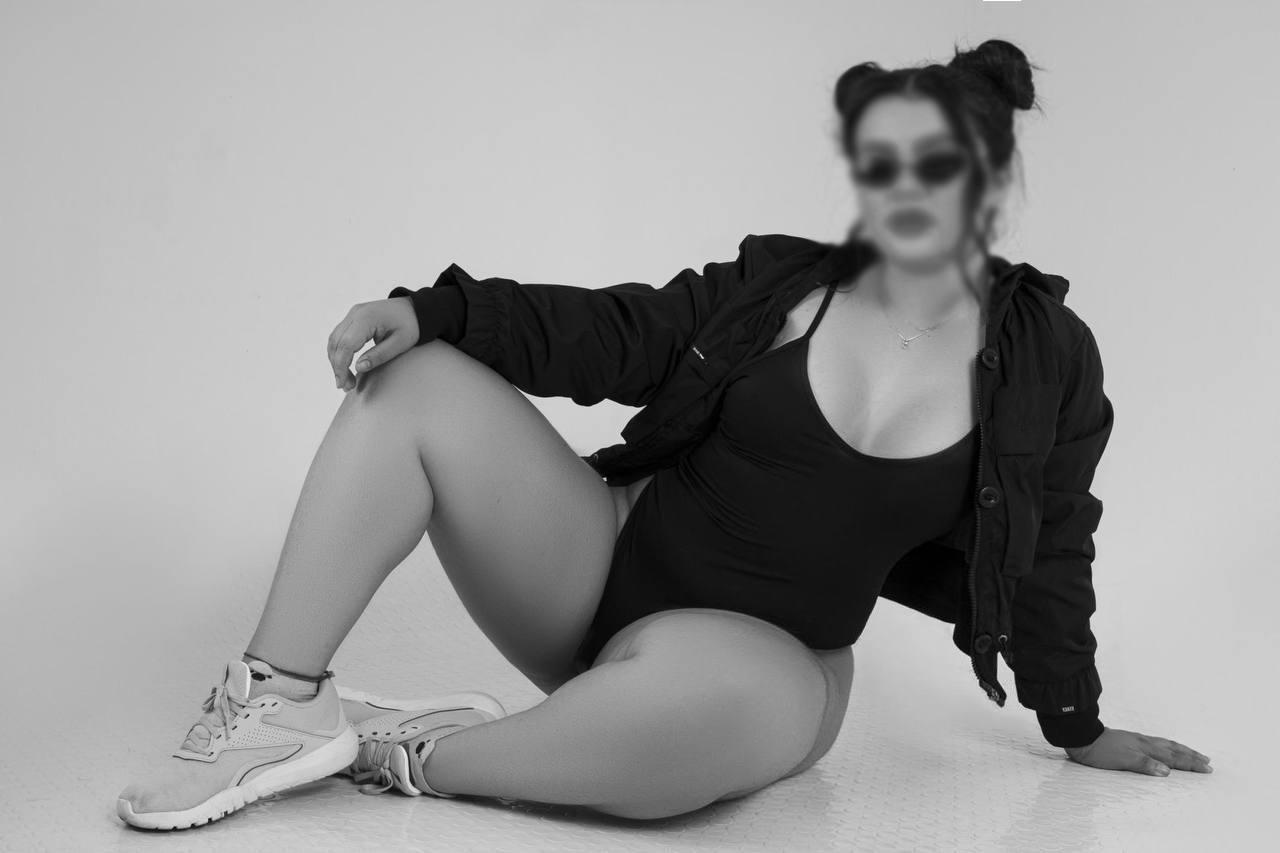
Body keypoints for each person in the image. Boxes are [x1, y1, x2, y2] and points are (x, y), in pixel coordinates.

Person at [117, 38, 1212, 831]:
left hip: (769, 667)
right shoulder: (781, 286)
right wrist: (440, 311)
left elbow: (1052, 543)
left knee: (708, 718)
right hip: (596, 569)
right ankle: (281, 702)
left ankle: (410, 754)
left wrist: (1076, 724)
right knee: (418, 382)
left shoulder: (1046, 360)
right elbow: (610, 331)